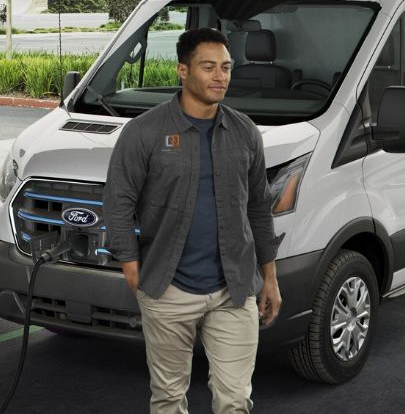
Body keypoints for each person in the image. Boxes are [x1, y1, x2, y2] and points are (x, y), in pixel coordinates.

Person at [102, 27, 282, 414]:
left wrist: (269, 278)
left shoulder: (245, 131)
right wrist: (134, 271)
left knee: (235, 400)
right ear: (183, 71)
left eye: (226, 68)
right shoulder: (144, 132)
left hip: (234, 290)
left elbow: (258, 209)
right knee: (168, 398)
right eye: (208, 67)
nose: (220, 77)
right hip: (169, 289)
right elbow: (118, 203)